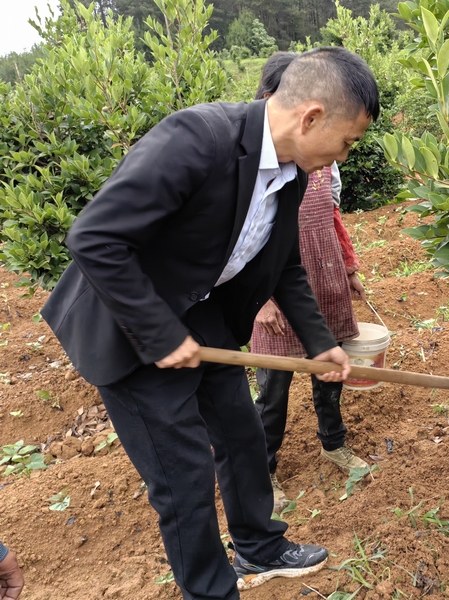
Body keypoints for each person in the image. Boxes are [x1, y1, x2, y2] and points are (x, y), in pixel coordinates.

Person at [41, 47, 379, 599]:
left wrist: (320, 344)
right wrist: (160, 333)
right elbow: (95, 239)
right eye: (348, 140)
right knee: (183, 475)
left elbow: (284, 264)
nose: (345, 154)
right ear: (311, 116)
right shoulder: (198, 138)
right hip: (128, 322)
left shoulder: (294, 172)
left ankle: (259, 546)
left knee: (241, 435)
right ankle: (209, 590)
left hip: (200, 312)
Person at [249, 53, 369, 510]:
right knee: (273, 389)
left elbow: (333, 217)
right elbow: (248, 247)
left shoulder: (321, 164)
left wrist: (349, 268)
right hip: (277, 290)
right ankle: (266, 468)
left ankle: (333, 442)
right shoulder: (260, 172)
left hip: (322, 278)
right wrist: (261, 300)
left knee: (330, 371)